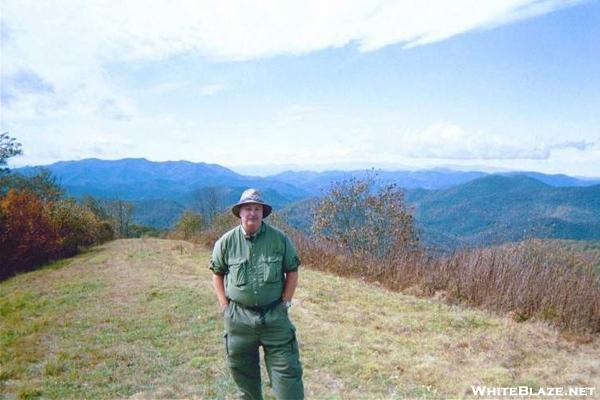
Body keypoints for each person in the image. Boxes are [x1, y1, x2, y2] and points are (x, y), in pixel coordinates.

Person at [210, 188, 304, 400]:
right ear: (240, 213)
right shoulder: (226, 242)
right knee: (245, 380)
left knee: (288, 377)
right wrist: (225, 306)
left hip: (275, 317)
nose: (252, 213)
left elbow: (292, 270)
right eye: (248, 208)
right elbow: (217, 273)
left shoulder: (280, 240)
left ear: (263, 212)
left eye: (257, 208)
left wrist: (286, 302)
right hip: (239, 321)